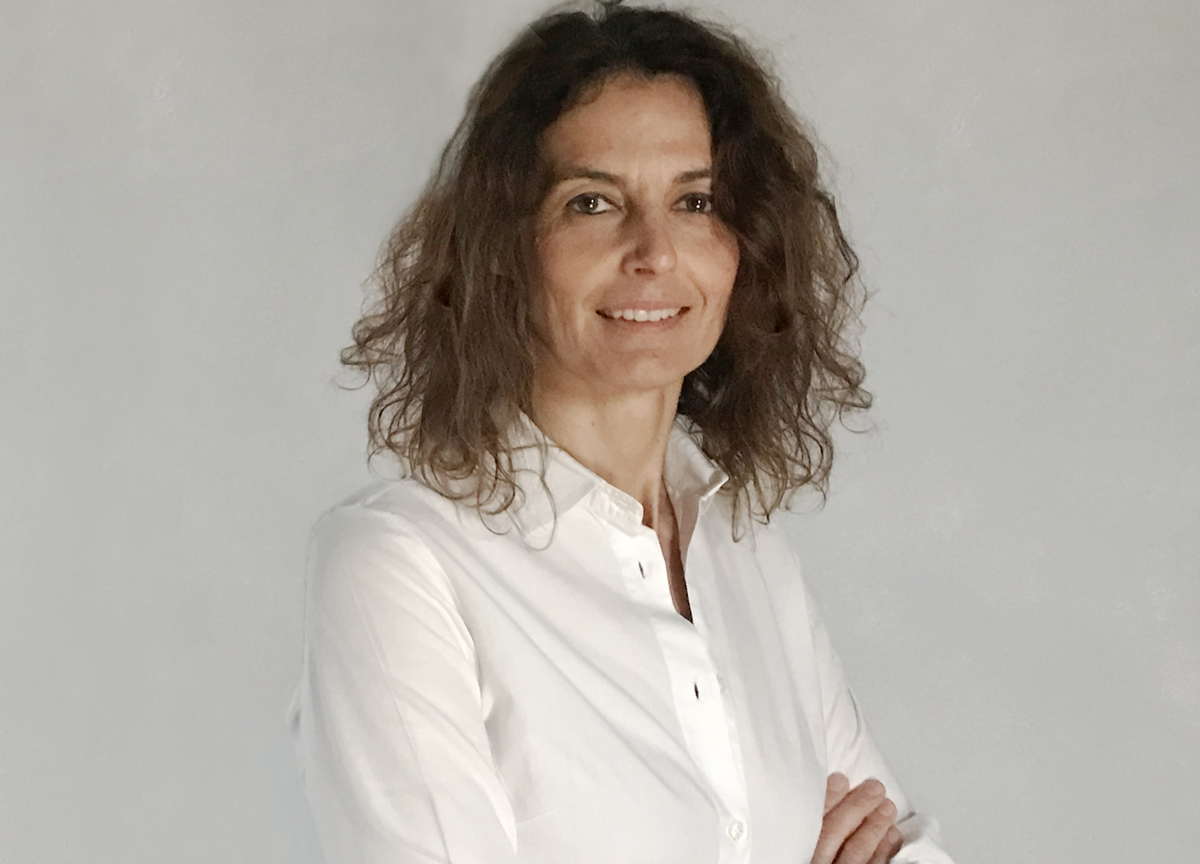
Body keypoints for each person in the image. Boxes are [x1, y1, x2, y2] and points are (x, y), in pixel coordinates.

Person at [288, 3, 956, 863]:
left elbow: (903, 847)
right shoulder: (399, 566)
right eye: (593, 202)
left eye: (696, 201)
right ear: (505, 246)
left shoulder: (747, 550)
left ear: (747, 246)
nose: (653, 251)